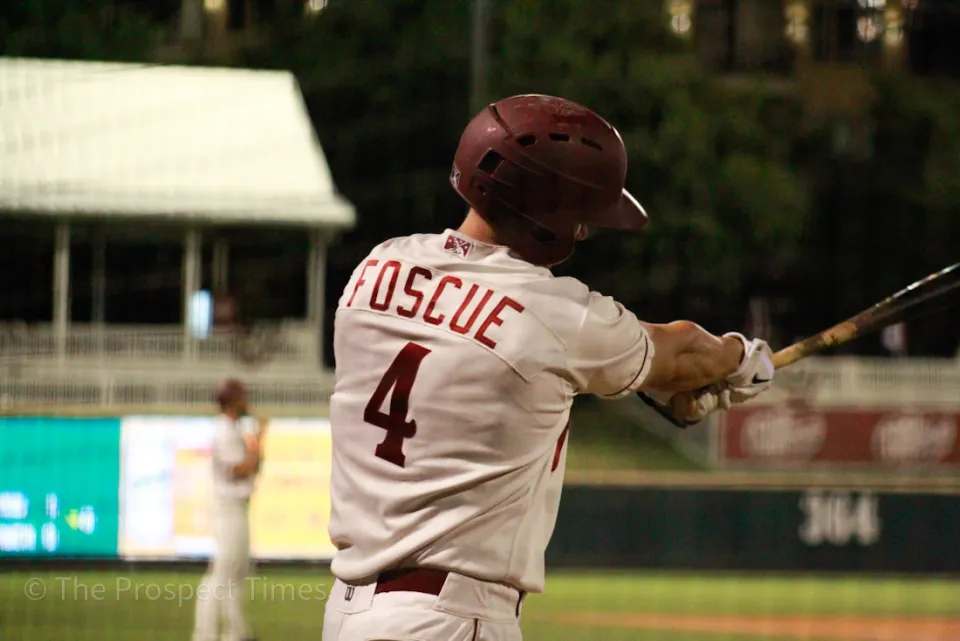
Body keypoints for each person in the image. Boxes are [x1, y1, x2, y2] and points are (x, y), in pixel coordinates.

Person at [322, 94, 776, 641]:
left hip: (350, 612)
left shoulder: (378, 266)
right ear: (547, 214)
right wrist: (743, 359)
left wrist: (663, 385)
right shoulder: (555, 313)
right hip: (446, 618)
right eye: (580, 215)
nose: (583, 231)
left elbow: (486, 372)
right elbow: (680, 354)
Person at [193, 378, 267, 641]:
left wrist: (258, 442)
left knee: (237, 572)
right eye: (243, 396)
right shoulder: (224, 429)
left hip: (238, 508)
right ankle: (204, 634)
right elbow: (241, 469)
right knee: (222, 572)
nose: (248, 400)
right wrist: (260, 436)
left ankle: (236, 633)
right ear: (234, 400)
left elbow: (254, 466)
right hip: (228, 509)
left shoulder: (233, 429)